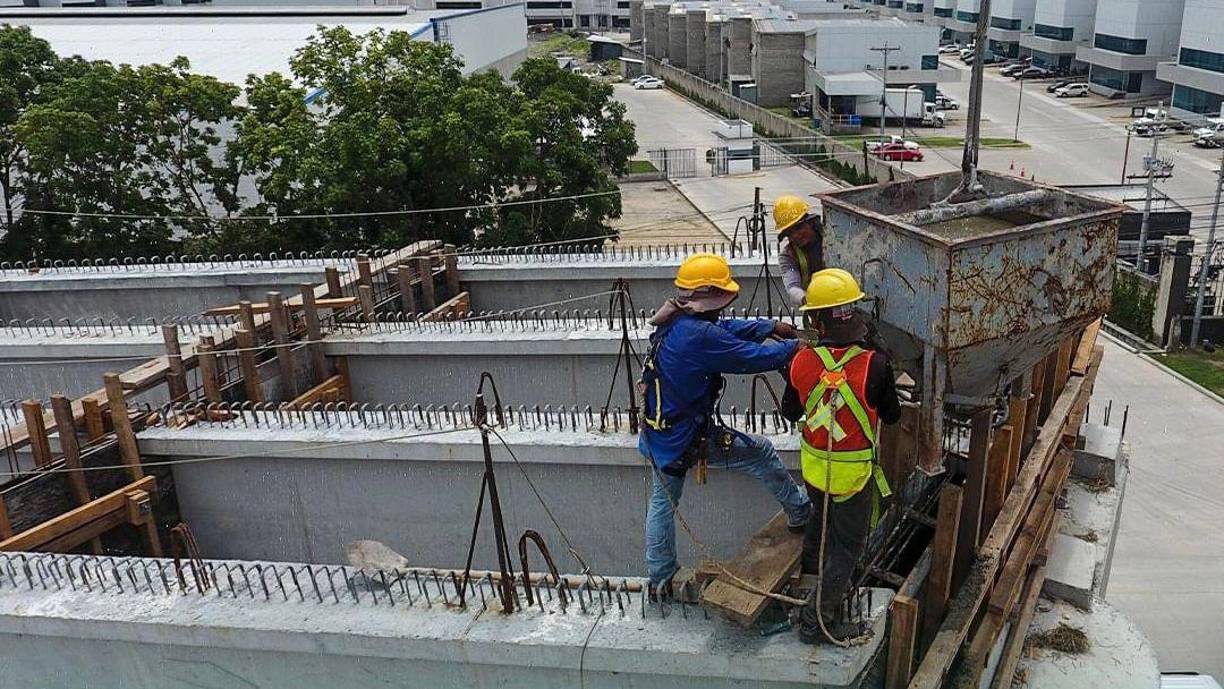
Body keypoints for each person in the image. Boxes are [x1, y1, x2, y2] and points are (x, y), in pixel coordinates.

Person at [640, 253, 813, 598]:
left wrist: (768, 327)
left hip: (661, 432)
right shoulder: (698, 335)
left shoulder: (677, 320)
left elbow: (726, 330)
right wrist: (794, 347)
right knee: (760, 452)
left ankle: (660, 575)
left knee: (663, 500)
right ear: (712, 297)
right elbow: (748, 357)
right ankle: (800, 512)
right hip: (685, 437)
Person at [781, 268, 901, 643]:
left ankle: (812, 576)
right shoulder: (875, 365)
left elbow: (790, 412)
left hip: (815, 470)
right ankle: (817, 621)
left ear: (817, 321)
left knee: (822, 519)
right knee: (848, 546)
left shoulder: (801, 361)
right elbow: (892, 416)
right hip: (852, 477)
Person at [774, 194, 824, 307]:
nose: (796, 235)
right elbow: (792, 287)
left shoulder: (832, 237)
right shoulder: (788, 255)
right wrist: (806, 299)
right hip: (816, 306)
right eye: (789, 233)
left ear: (810, 223)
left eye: (798, 228)